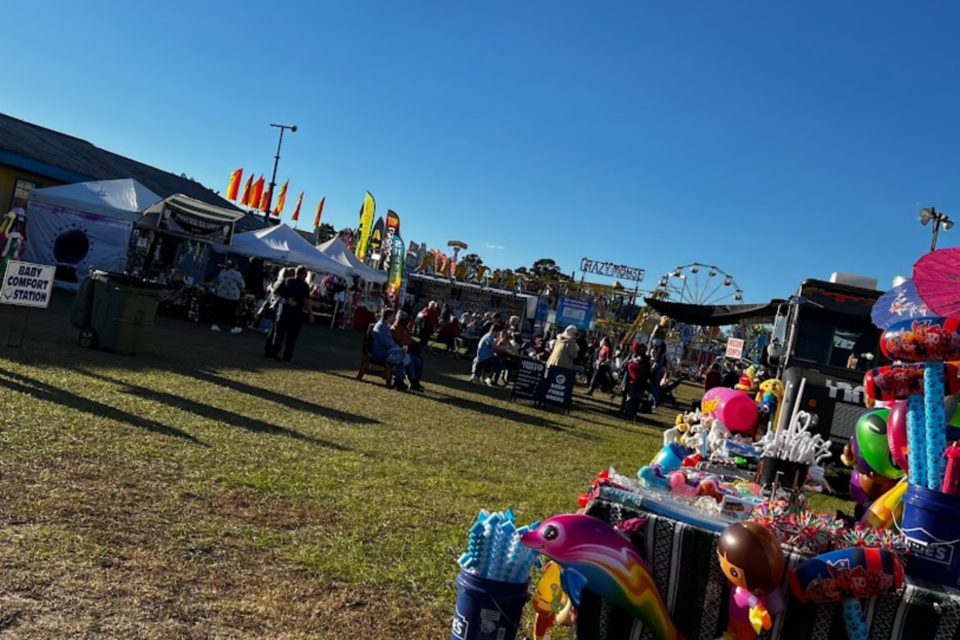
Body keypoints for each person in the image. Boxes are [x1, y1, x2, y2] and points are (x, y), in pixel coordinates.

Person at [264, 265, 314, 362]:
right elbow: (306, 301)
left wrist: (284, 299)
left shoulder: (286, 280)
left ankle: (273, 353)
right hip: (296, 313)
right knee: (292, 337)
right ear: (304, 275)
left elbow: (276, 292)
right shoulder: (304, 286)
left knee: (278, 334)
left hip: (283, 311)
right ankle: (287, 357)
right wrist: (310, 314)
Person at [371, 308, 418, 391]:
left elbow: (390, 340)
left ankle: (411, 381)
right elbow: (384, 341)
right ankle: (399, 380)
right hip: (380, 351)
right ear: (388, 316)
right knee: (401, 356)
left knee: (406, 357)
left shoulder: (386, 325)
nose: (393, 318)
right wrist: (395, 348)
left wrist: (397, 348)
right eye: (392, 316)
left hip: (387, 349)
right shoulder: (381, 326)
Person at [392, 311, 425, 391]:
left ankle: (416, 380)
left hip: (408, 350)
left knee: (420, 361)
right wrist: (409, 344)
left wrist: (415, 343)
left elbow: (409, 339)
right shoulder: (396, 328)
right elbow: (398, 341)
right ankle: (412, 381)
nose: (407, 322)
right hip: (401, 350)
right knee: (412, 360)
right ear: (401, 319)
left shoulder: (405, 328)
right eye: (405, 320)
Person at [212, 260, 246, 334]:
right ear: (235, 265)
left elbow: (219, 281)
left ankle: (215, 324)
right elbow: (242, 285)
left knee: (218, 310)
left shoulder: (222, 272)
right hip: (232, 296)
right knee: (232, 312)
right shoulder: (237, 274)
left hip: (221, 294)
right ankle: (233, 327)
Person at [622, 342, 651, 418]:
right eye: (634, 350)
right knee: (630, 397)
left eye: (637, 350)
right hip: (631, 381)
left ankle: (633, 412)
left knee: (637, 398)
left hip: (641, 382)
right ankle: (627, 412)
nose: (635, 352)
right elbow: (625, 366)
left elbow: (647, 371)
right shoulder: (631, 357)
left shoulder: (645, 359)